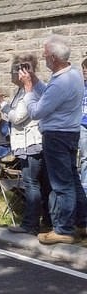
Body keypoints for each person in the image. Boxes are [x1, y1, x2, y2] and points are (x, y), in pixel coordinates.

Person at [21, 34, 86, 244]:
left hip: (56, 135)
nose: (43, 56)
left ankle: (64, 229)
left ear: (55, 59)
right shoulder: (73, 73)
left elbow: (37, 111)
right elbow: (50, 95)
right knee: (73, 180)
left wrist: (29, 89)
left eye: (46, 54)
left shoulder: (60, 83)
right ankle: (83, 222)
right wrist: (36, 81)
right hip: (70, 132)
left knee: (61, 184)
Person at [0, 54, 51, 235]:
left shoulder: (30, 91)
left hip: (31, 142)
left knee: (32, 184)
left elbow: (17, 117)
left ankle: (31, 224)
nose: (11, 74)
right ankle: (47, 220)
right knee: (42, 184)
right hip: (31, 142)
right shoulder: (26, 90)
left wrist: (1, 102)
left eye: (13, 71)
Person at [79, 57, 87, 198]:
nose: (85, 72)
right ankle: (85, 188)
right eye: (83, 69)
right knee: (85, 157)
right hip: (82, 124)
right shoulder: (80, 87)